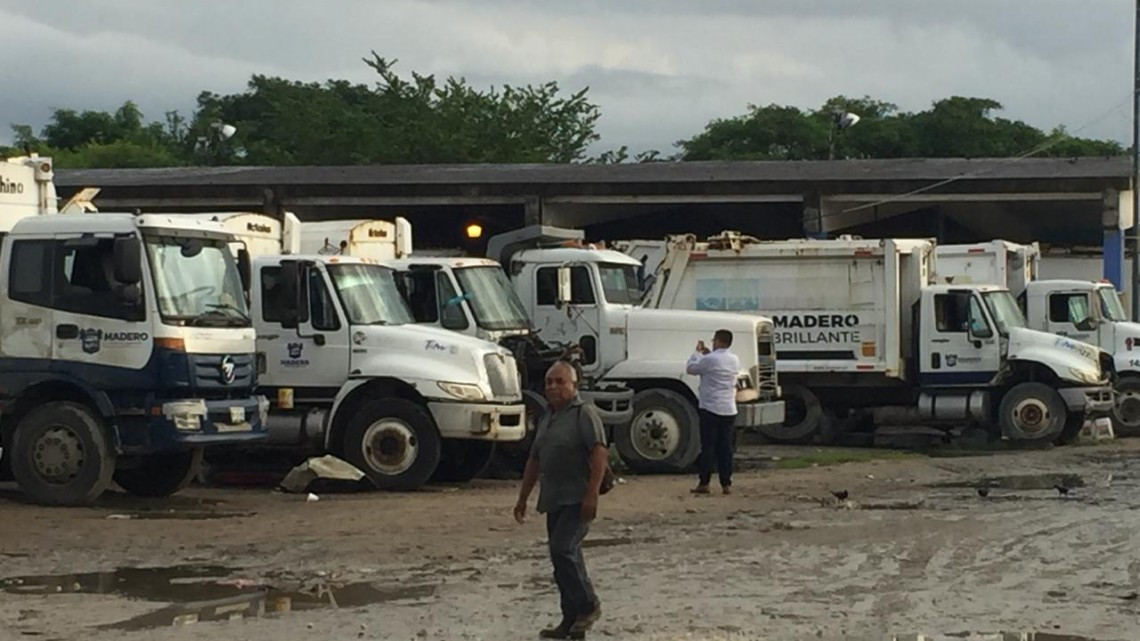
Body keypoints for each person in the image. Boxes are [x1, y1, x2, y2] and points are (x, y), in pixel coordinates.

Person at [514, 360, 608, 639]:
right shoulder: (548, 417)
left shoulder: (584, 413)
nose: (553, 387)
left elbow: (599, 453)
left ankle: (588, 605)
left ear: (574, 384)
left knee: (562, 549)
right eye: (549, 382)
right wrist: (522, 498)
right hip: (554, 498)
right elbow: (534, 459)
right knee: (561, 560)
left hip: (577, 497)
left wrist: (591, 495)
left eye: (560, 381)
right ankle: (571, 622)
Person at [685, 329, 739, 495]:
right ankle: (726, 484)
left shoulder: (709, 359)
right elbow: (715, 364)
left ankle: (704, 483)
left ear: (719, 341)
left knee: (708, 446)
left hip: (710, 408)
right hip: (729, 408)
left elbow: (691, 369)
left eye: (714, 340)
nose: (713, 342)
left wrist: (696, 353)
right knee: (725, 447)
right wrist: (707, 354)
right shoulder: (734, 359)